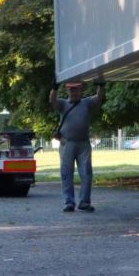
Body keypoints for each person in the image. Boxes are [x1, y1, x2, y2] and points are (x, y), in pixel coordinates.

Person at [49, 78, 105, 212]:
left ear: (81, 90)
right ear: (67, 91)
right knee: (66, 173)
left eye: (76, 90)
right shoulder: (63, 104)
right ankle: (69, 202)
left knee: (86, 173)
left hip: (83, 143)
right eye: (71, 90)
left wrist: (101, 86)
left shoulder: (86, 103)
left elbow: (99, 98)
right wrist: (54, 88)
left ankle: (84, 202)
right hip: (67, 143)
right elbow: (52, 100)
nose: (74, 92)